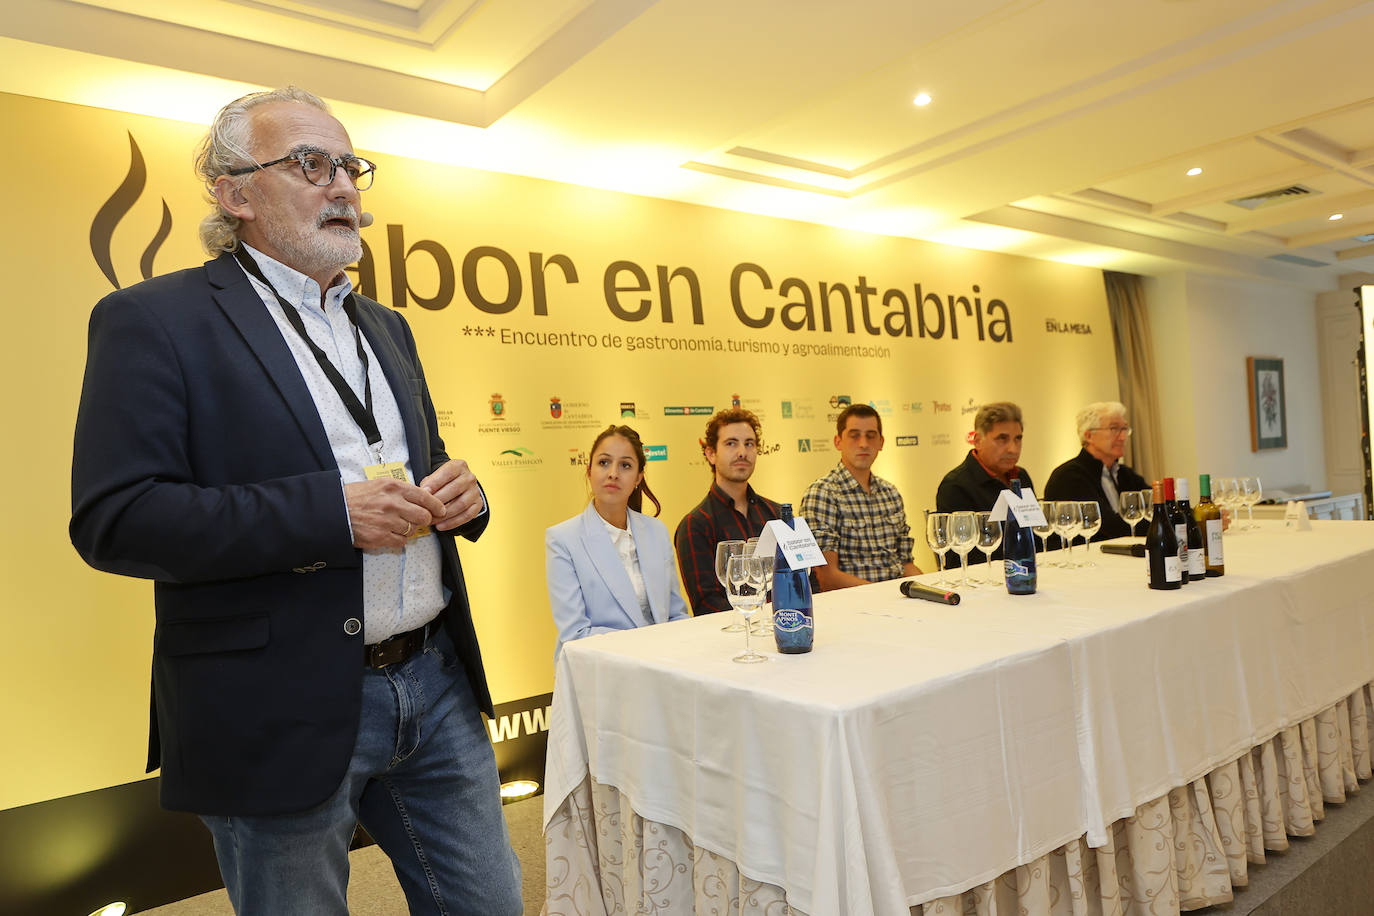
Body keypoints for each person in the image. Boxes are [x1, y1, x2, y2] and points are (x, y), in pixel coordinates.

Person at [68, 88, 521, 915]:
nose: (344, 185)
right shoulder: (152, 320)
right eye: (312, 164)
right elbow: (118, 518)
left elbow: (400, 466)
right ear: (234, 193)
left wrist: (465, 492)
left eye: (351, 166)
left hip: (434, 680)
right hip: (272, 704)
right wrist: (329, 515)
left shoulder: (387, 326)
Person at [546, 424, 689, 656]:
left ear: (638, 478)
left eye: (625, 465)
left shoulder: (657, 531)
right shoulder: (563, 539)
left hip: (662, 667)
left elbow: (676, 614)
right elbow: (576, 633)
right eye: (604, 462)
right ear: (589, 470)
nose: (613, 473)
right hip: (600, 673)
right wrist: (649, 646)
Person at [674, 408, 783, 614]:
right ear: (711, 454)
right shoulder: (695, 525)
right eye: (731, 443)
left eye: (749, 444)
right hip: (728, 639)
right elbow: (707, 604)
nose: (742, 452)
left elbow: (804, 581)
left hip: (782, 628)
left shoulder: (776, 514)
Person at [800, 403, 921, 590]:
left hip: (899, 601)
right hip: (853, 608)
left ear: (881, 442)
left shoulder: (891, 493)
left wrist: (929, 587)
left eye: (870, 436)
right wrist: (886, 593)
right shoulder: (822, 493)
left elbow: (906, 564)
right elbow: (826, 577)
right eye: (854, 435)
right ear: (837, 441)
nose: (863, 443)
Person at [935, 401, 1035, 567]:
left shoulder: (1021, 477)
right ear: (977, 440)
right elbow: (959, 557)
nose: (1013, 449)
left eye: (1018, 439)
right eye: (1002, 439)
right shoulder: (956, 486)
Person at [1044, 401, 1149, 541]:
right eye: (1114, 429)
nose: (1123, 437)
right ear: (1089, 436)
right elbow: (1110, 526)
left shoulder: (1125, 474)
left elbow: (1156, 510)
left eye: (1124, 429)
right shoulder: (1069, 476)